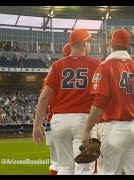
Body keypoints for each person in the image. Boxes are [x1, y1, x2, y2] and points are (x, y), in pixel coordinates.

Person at [81, 29, 134, 175]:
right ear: (128, 46)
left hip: (116, 128)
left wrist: (87, 129)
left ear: (111, 44)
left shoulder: (105, 66)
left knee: (107, 172)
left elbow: (100, 101)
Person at [32, 28, 100, 175]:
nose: (89, 45)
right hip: (83, 119)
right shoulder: (95, 64)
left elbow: (44, 97)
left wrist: (36, 125)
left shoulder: (57, 65)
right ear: (83, 44)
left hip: (59, 120)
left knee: (64, 167)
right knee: (84, 168)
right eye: (88, 41)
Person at [42, 42, 72, 175]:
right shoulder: (82, 70)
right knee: (77, 164)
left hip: (53, 121)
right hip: (72, 119)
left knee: (56, 162)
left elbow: (44, 98)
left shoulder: (55, 70)